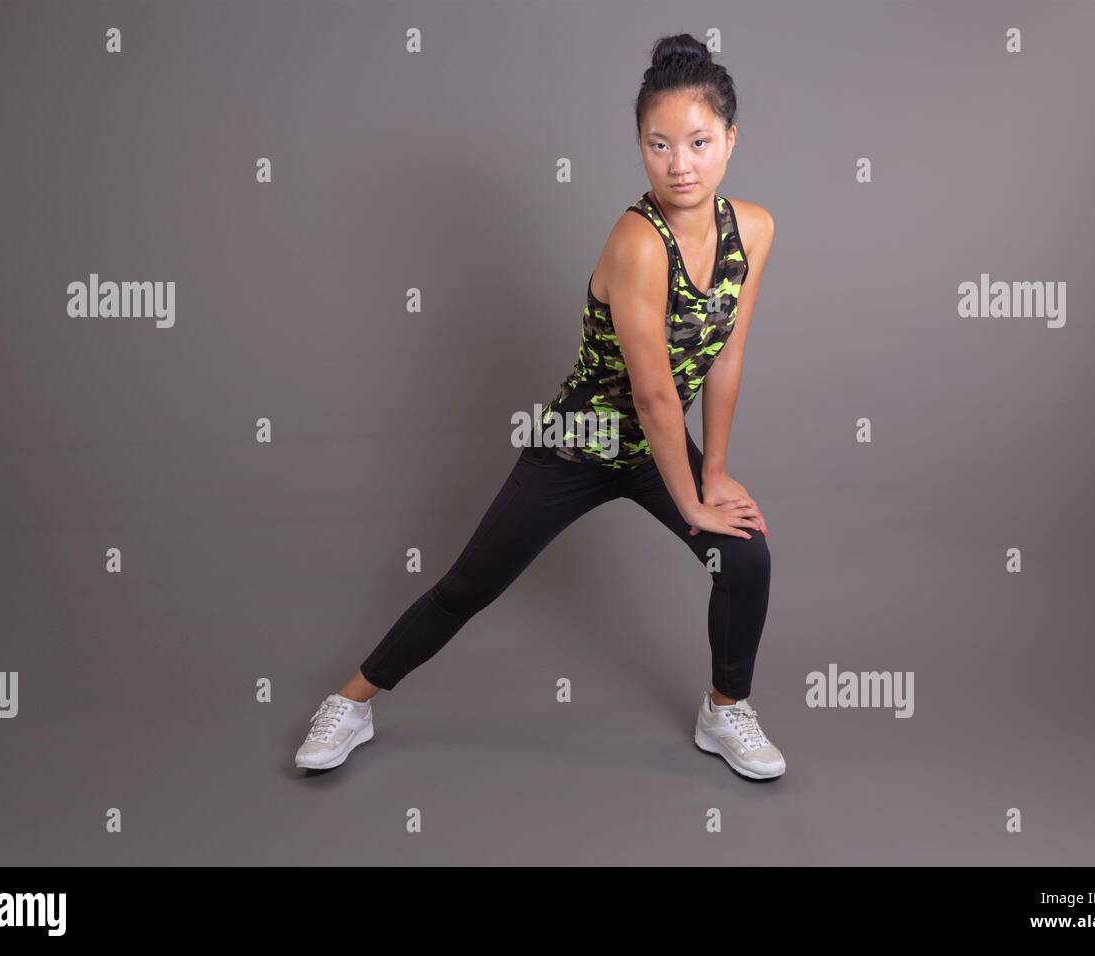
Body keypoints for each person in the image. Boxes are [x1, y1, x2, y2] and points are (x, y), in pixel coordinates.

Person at [295, 34, 783, 781]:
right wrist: (692, 500)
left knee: (744, 556)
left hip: (656, 451)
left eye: (697, 142)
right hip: (579, 440)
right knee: (470, 585)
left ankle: (725, 710)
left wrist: (713, 474)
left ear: (730, 141)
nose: (679, 163)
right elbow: (653, 394)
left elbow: (729, 355)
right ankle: (352, 702)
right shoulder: (637, 243)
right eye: (658, 145)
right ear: (639, 147)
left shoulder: (752, 230)